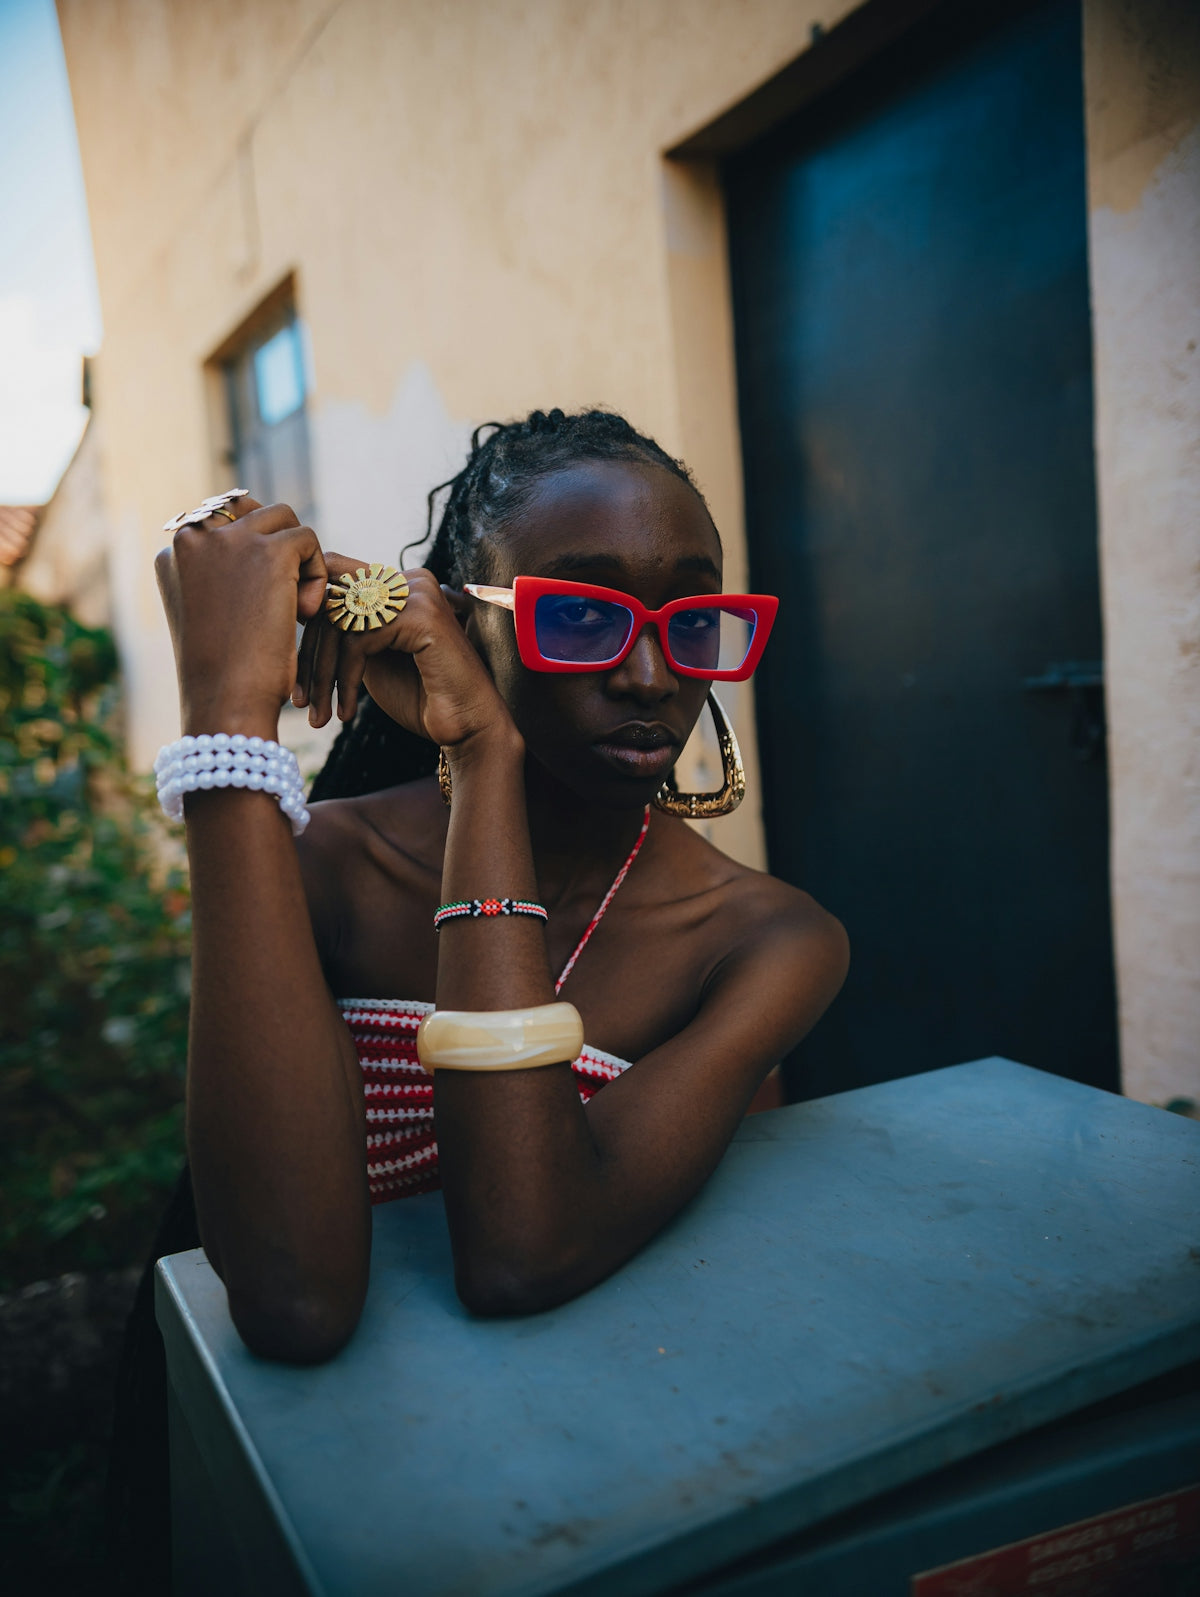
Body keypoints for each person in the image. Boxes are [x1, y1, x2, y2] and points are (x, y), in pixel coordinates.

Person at [106, 407, 848, 1586]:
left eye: (691, 618)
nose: (652, 675)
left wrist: (486, 758)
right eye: (582, 614)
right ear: (456, 619)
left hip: (625, 1487)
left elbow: (521, 1248)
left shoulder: (765, 940)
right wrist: (228, 721)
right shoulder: (325, 869)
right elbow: (295, 1302)